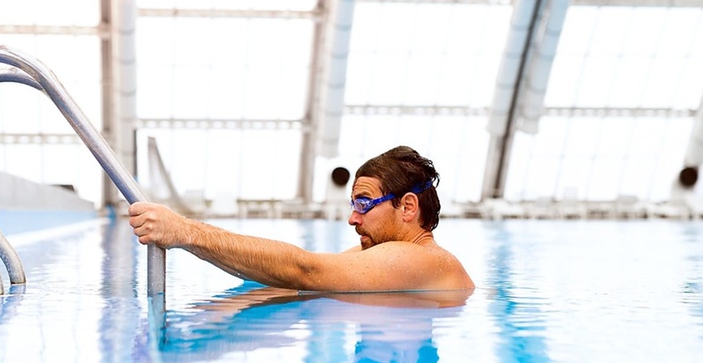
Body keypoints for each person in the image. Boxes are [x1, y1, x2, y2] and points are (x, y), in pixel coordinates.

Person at [128, 146, 474, 293]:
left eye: (365, 203)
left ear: (408, 207)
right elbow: (291, 278)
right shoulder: (388, 259)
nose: (353, 219)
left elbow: (305, 271)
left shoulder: (420, 258)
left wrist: (186, 232)